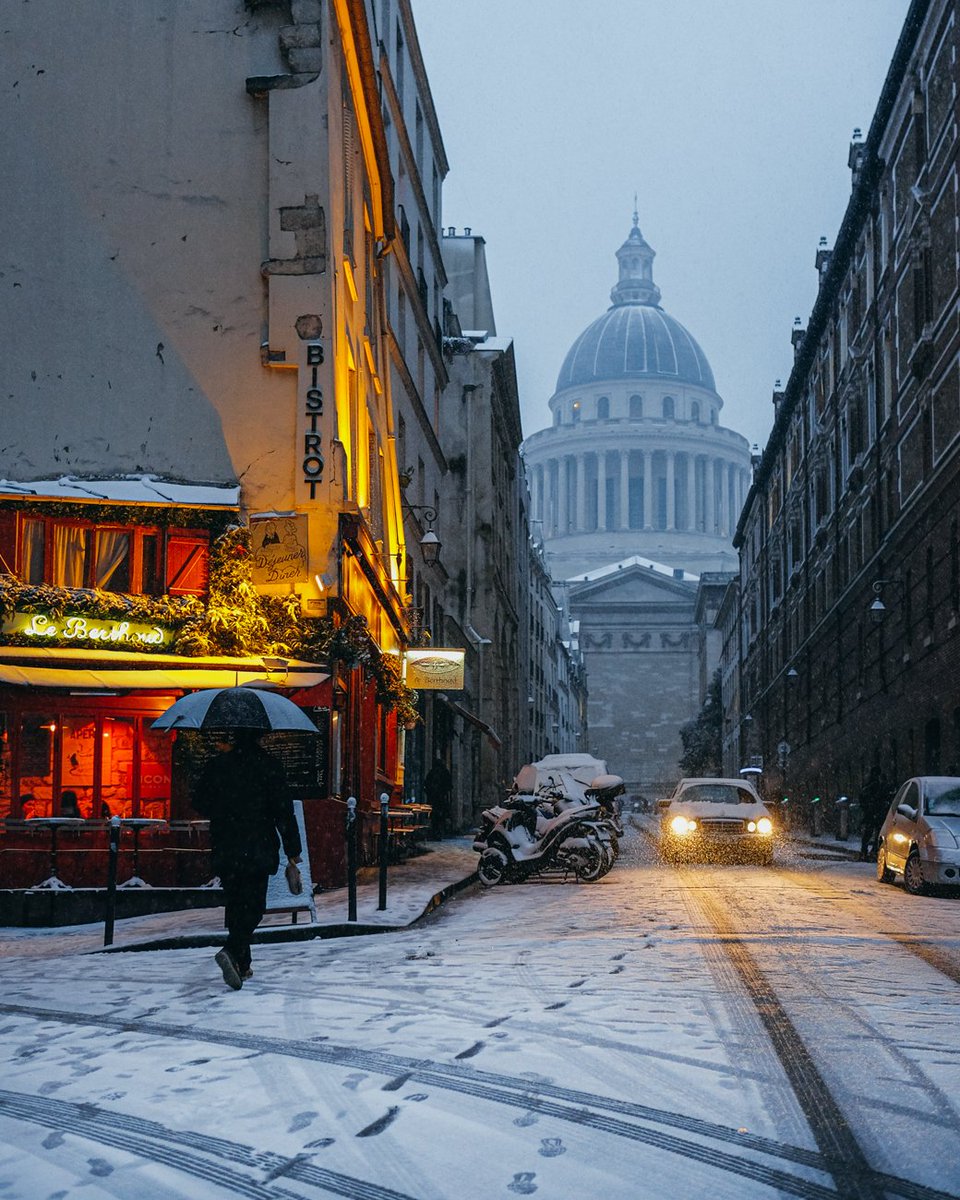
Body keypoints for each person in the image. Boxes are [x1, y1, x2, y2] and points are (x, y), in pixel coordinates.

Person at [192, 730, 301, 990]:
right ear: (260, 737)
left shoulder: (218, 766)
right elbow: (283, 811)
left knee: (236, 903)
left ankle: (242, 964)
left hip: (226, 844)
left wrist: (224, 808)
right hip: (257, 845)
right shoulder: (269, 766)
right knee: (253, 906)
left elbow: (200, 802)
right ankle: (231, 950)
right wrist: (292, 850)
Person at [859, 764, 889, 861]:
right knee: (875, 833)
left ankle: (866, 851)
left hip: (872, 812)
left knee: (869, 833)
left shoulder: (870, 784)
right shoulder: (877, 784)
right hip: (876, 812)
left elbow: (862, 796)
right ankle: (872, 851)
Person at [424, 756, 452, 838]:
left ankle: (435, 832)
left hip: (433, 799)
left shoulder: (432, 772)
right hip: (441, 799)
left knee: (434, 817)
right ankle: (439, 832)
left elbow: (426, 784)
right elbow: (449, 786)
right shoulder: (444, 772)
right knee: (441, 816)